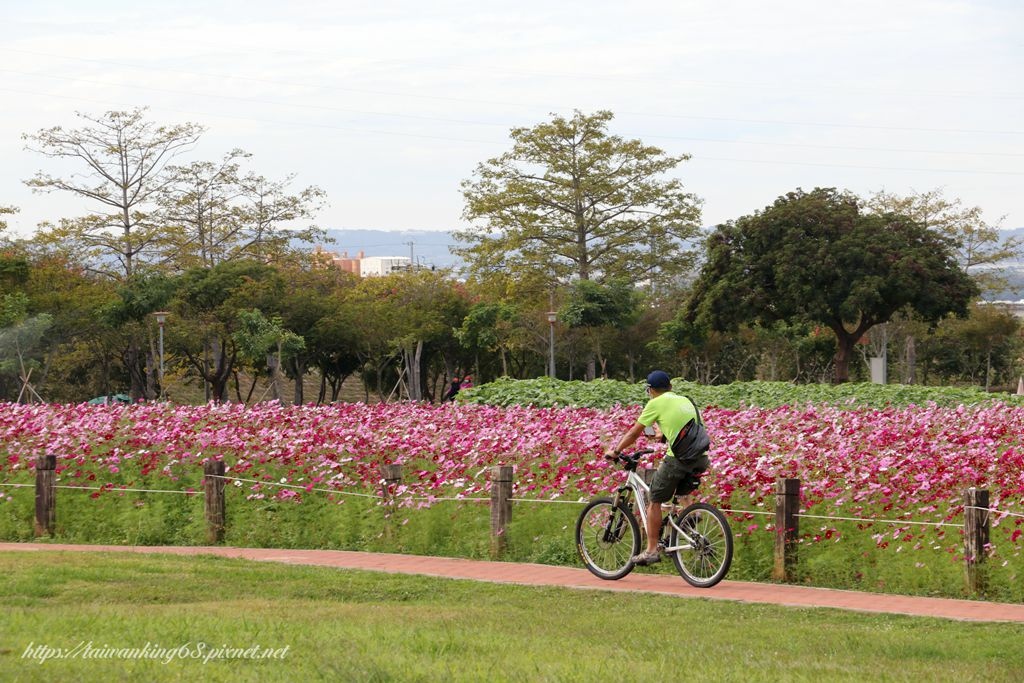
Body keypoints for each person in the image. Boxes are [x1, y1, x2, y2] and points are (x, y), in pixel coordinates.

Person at [603, 370, 711, 566]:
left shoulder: (655, 403)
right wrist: (662, 437)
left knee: (655, 499)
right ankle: (688, 518)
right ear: (670, 387)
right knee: (678, 493)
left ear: (650, 390)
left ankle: (651, 550)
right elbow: (686, 431)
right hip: (701, 458)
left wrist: (616, 451)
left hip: (679, 459)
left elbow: (635, 432)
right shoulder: (686, 400)